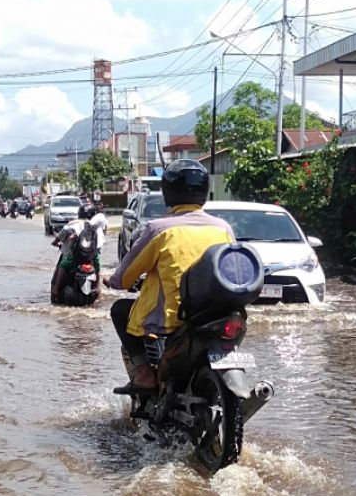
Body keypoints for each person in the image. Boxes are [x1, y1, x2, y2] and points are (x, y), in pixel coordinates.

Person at [106, 159, 234, 393]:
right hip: (218, 313)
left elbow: (123, 279)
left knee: (119, 310)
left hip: (173, 318)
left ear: (168, 193)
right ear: (204, 192)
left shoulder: (159, 229)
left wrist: (113, 280)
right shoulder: (223, 228)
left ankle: (145, 374)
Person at [51, 206, 107, 302]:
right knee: (97, 266)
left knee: (63, 265)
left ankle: (55, 289)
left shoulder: (71, 225)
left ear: (78, 214)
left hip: (76, 256)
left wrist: (55, 242)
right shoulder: (94, 226)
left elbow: (61, 236)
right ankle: (98, 289)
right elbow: (100, 243)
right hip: (91, 256)